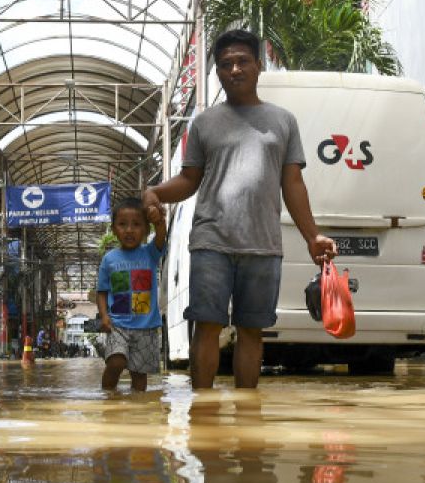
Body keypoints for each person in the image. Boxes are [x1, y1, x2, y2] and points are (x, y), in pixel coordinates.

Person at [142, 28, 337, 389]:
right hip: (211, 241)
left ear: (258, 66)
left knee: (251, 330)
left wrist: (313, 236)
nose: (234, 69)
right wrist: (155, 191)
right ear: (217, 72)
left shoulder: (283, 121)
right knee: (207, 327)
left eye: (242, 61)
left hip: (263, 245)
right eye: (226, 64)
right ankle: (203, 414)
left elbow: (292, 184)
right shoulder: (204, 123)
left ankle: (248, 414)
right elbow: (189, 180)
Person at [96, 197, 167, 391]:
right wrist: (104, 316)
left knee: (139, 374)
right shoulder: (109, 259)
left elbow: (161, 236)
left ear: (146, 230)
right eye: (122, 224)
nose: (129, 230)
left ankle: (137, 411)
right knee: (116, 362)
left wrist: (158, 218)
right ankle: (108, 400)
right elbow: (101, 292)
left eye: (136, 224)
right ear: (113, 230)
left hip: (146, 326)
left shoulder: (150, 253)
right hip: (118, 325)